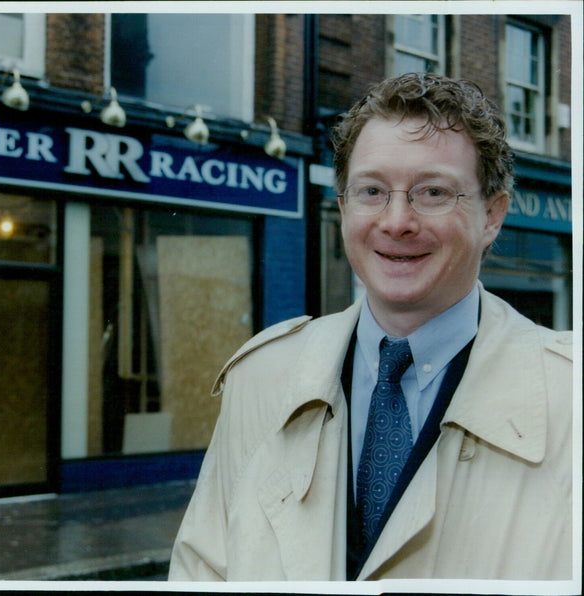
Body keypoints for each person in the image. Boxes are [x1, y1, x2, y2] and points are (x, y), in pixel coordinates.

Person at [168, 72, 573, 581]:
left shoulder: (569, 398)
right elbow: (202, 572)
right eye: (372, 190)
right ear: (342, 209)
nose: (396, 220)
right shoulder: (260, 379)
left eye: (433, 191)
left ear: (493, 214)